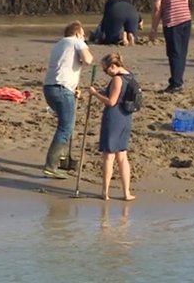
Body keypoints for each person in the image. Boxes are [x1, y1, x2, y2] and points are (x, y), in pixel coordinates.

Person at [43, 21, 93, 179]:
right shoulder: (76, 41)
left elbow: (65, 66)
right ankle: (51, 165)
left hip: (50, 87)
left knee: (66, 124)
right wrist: (85, 47)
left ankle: (63, 159)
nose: (84, 38)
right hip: (61, 89)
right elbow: (88, 59)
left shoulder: (59, 44)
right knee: (66, 127)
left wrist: (73, 88)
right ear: (78, 33)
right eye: (83, 35)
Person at [88, 53, 136, 201]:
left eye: (106, 70)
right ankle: (126, 192)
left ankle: (105, 192)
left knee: (109, 156)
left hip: (114, 118)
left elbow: (111, 102)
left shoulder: (117, 79)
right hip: (125, 117)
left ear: (113, 66)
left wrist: (95, 94)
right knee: (122, 156)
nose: (106, 73)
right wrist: (102, 91)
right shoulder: (130, 76)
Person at [141, 0, 192, 94]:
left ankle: (176, 83)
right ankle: (178, 80)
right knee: (181, 52)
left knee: (173, 53)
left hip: (173, 20)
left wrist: (153, 30)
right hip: (186, 17)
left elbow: (157, 8)